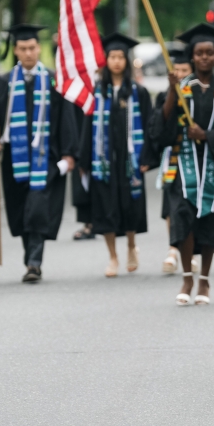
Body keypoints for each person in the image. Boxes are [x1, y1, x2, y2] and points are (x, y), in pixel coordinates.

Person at [152, 22, 214, 305]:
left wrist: (208, 135)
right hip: (183, 167)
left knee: (211, 222)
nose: (204, 57)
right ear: (191, 56)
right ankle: (187, 276)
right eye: (199, 53)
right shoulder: (182, 88)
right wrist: (170, 92)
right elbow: (162, 127)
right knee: (184, 220)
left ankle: (204, 281)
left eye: (209, 52)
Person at [0, 24, 79, 283]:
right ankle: (31, 258)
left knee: (38, 207)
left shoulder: (53, 81)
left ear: (39, 49)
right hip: (14, 160)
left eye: (32, 48)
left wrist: (69, 153)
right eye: (23, 48)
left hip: (44, 157)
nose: (28, 53)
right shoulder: (2, 83)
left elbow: (66, 119)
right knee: (19, 208)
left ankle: (34, 263)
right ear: (15, 50)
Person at [70, 32, 150, 277]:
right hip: (103, 161)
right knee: (105, 207)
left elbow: (147, 126)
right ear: (106, 60)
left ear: (126, 61)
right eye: (112, 57)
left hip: (130, 161)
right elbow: (86, 128)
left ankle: (130, 247)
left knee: (130, 205)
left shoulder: (138, 92)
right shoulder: (96, 93)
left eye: (120, 57)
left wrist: (146, 158)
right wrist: (85, 160)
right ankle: (113, 257)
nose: (116, 61)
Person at [147, 49, 195, 274]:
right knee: (172, 207)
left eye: (186, 71)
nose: (181, 75)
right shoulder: (165, 96)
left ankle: (190, 250)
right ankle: (172, 249)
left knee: (193, 205)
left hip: (196, 158)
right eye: (178, 71)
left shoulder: (201, 95)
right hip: (174, 158)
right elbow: (157, 130)